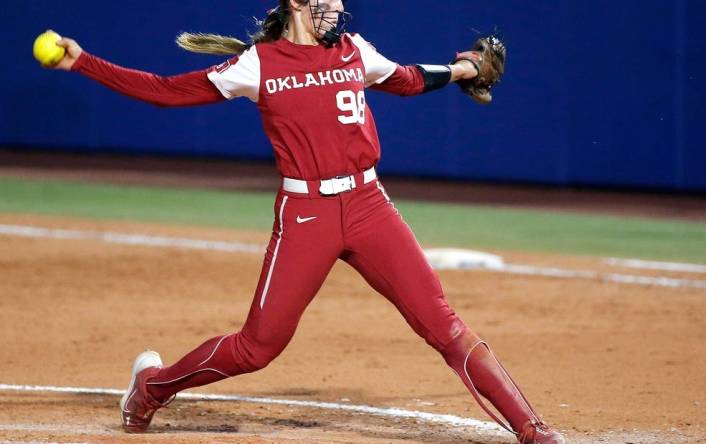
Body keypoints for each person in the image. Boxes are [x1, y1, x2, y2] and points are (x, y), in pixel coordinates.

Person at [48, 1, 564, 443]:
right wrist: (84, 63)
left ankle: (533, 430)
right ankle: (152, 388)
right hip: (306, 215)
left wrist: (466, 70)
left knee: (444, 325)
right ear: (296, 2)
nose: (338, 7)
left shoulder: (353, 50)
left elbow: (406, 79)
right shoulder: (259, 64)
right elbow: (164, 90)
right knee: (258, 347)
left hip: (369, 206)